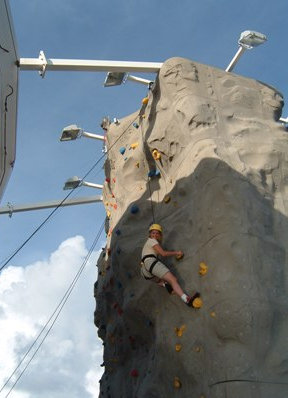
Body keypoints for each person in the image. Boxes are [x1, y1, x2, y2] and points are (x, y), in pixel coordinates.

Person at [141, 224, 200, 307]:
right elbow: (163, 254)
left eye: (157, 233)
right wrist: (177, 253)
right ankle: (187, 300)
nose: (155, 235)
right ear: (150, 234)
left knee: (163, 282)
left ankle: (169, 288)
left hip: (144, 271)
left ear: (160, 235)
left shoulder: (148, 243)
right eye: (153, 233)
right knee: (173, 280)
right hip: (150, 263)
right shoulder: (152, 241)